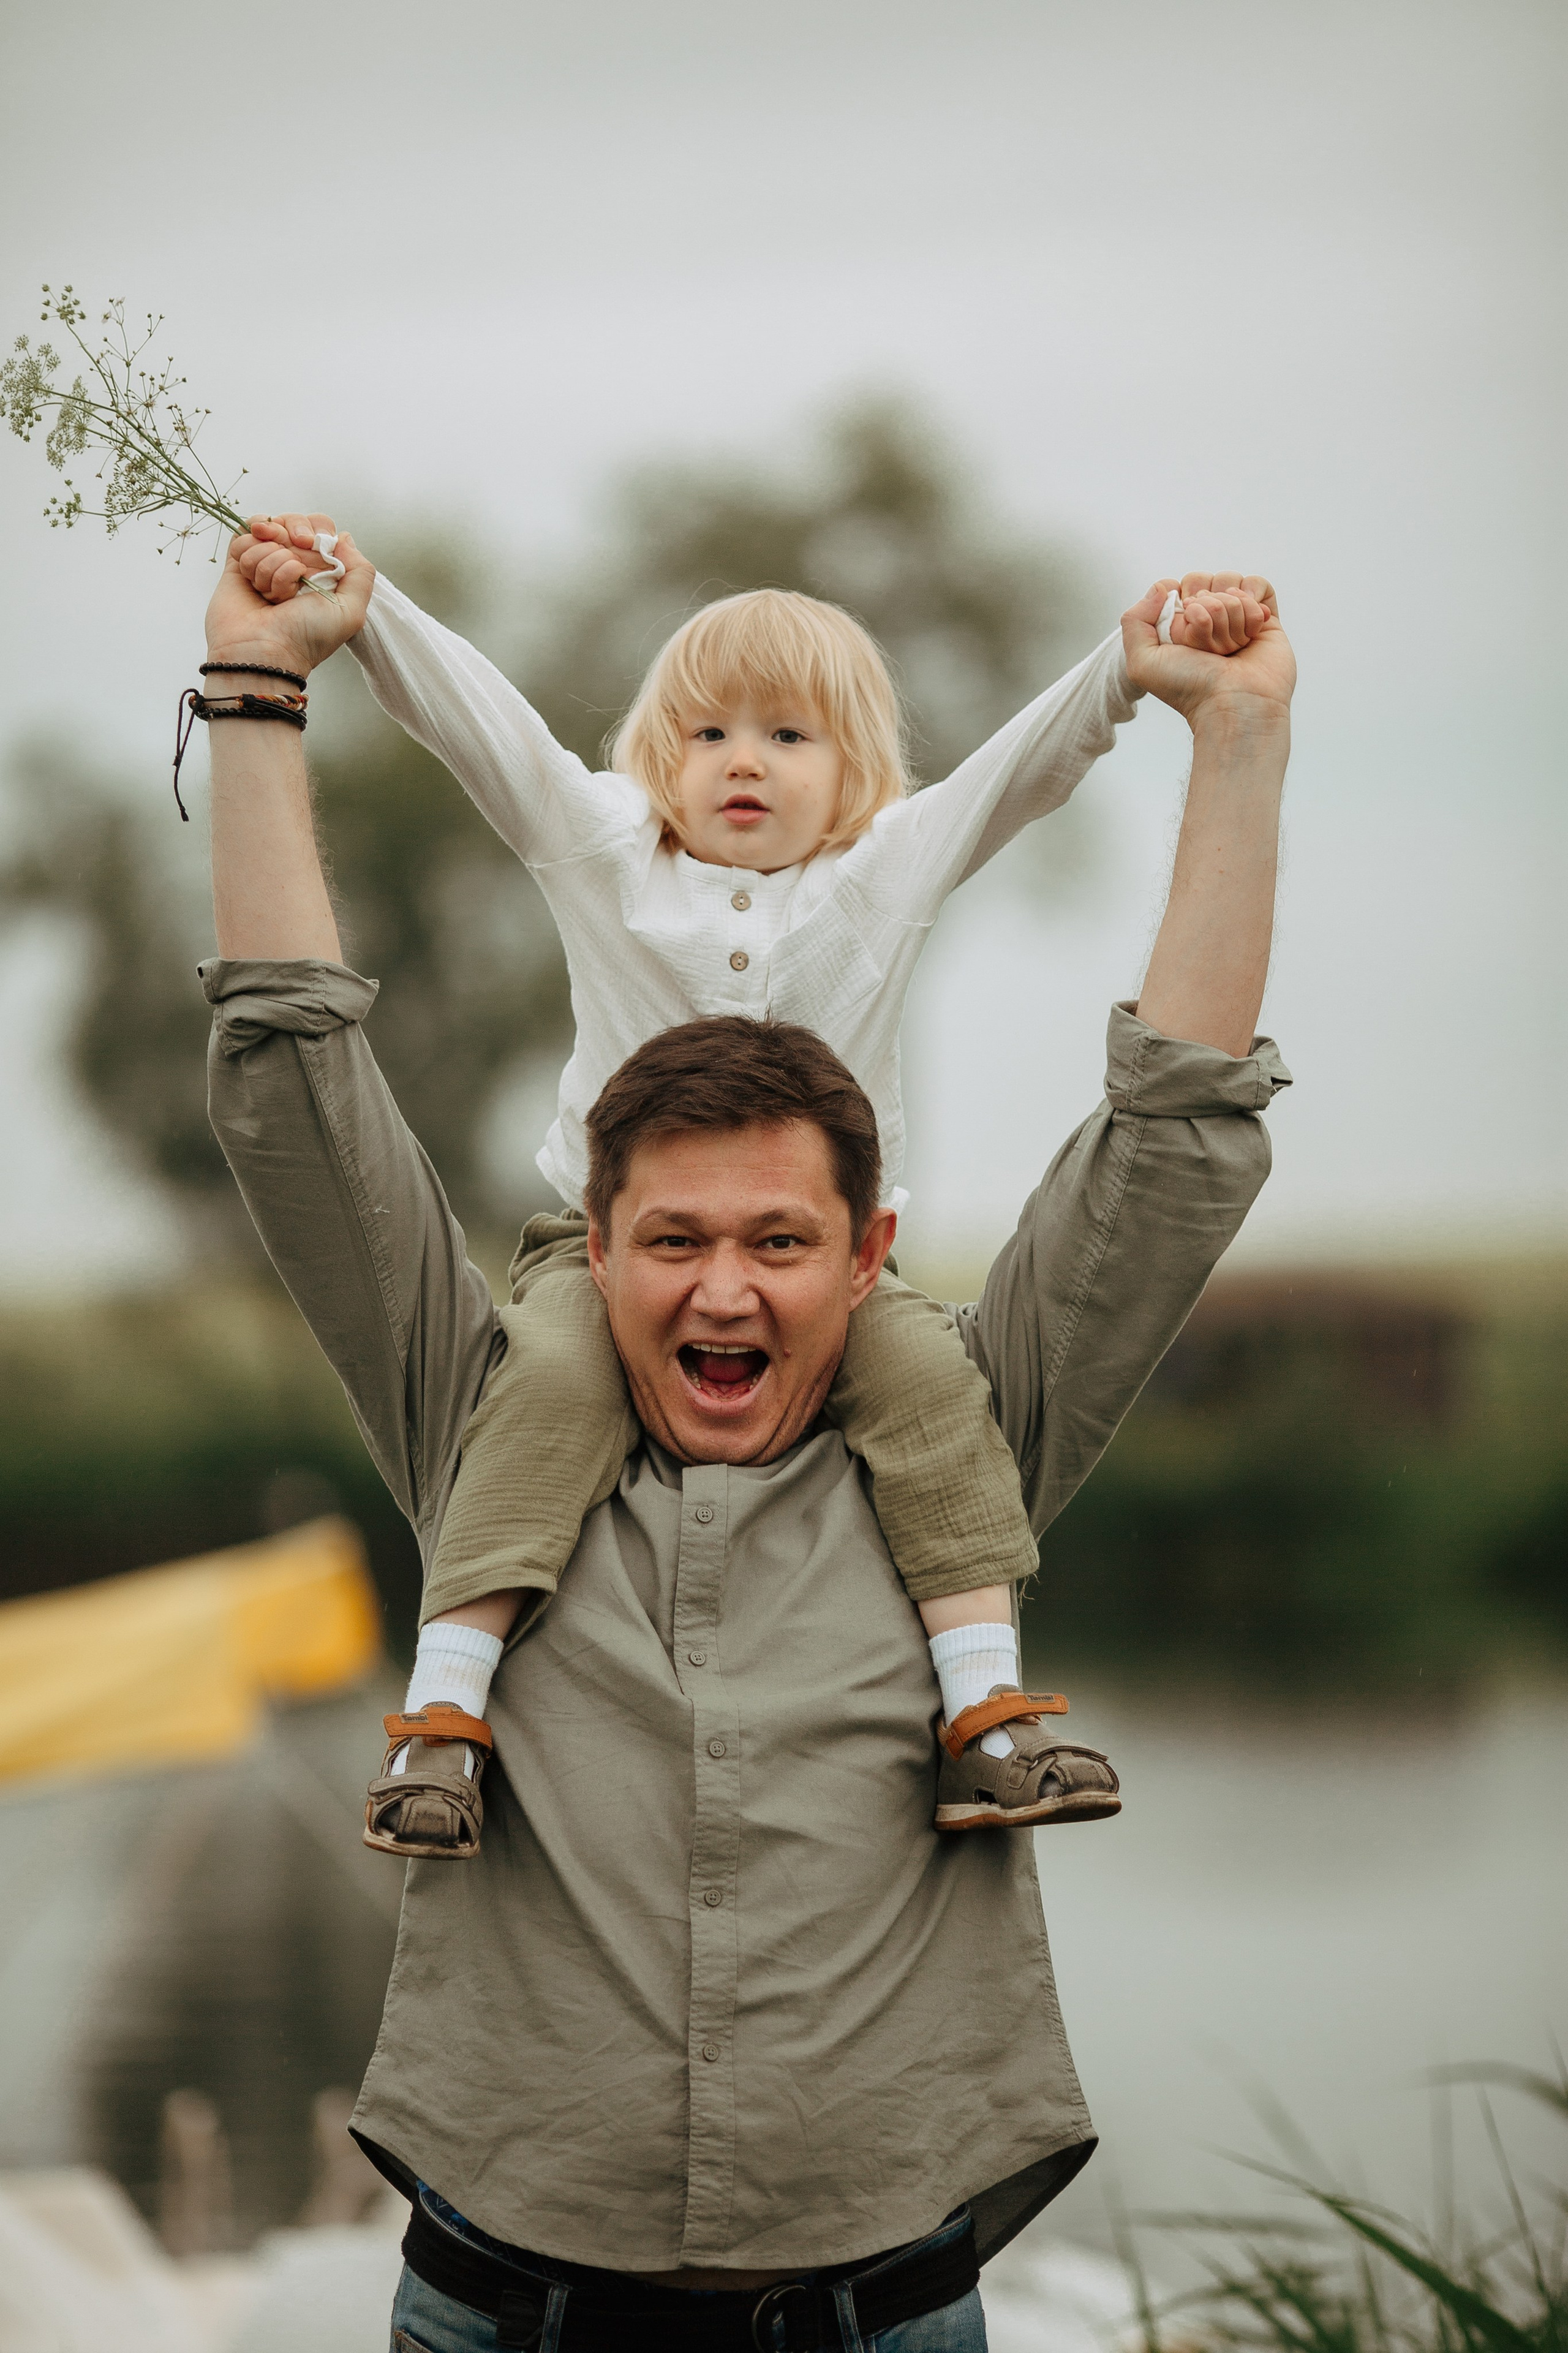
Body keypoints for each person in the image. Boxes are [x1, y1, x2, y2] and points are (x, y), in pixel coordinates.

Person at [194, 531, 1293, 2348]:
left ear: (868, 1257)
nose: (722, 1296)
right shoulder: (481, 1422)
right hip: (500, 2312)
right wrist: (260, 689)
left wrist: (1232, 740)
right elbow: (297, 1086)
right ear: (591, 1247)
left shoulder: (968, 1432)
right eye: (673, 1244)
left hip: (891, 2312)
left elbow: (1170, 1150)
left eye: (779, 1242)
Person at [234, 514, 1271, 1859]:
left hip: (839, 1276)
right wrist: (366, 613)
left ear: (856, 775)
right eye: (706, 732)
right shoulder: (602, 850)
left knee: (935, 1397)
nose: (740, 762)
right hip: (596, 1259)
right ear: (657, 758)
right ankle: (442, 1711)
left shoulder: (882, 871)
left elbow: (1015, 773)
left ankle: (985, 1710)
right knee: (540, 1394)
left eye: (788, 736)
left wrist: (1126, 675)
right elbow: (484, 731)